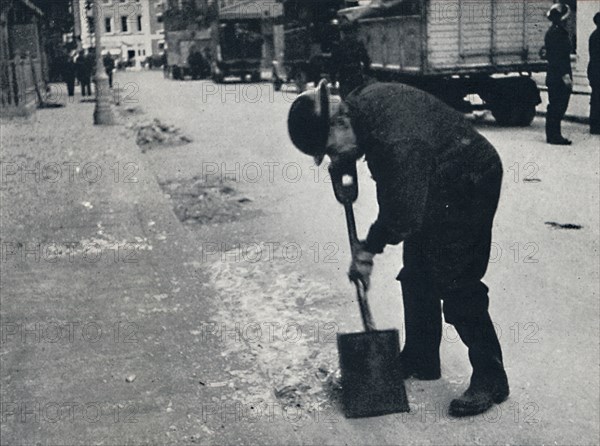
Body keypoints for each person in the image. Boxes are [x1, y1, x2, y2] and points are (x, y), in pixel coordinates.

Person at [287, 80, 509, 417]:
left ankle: (492, 377)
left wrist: (367, 250)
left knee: (456, 278)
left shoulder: (397, 140)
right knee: (417, 271)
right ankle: (421, 358)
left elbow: (401, 213)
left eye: (331, 149)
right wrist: (345, 160)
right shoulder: (358, 107)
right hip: (433, 177)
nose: (334, 156)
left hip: (469, 181)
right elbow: (397, 188)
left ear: (340, 123)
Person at [544, 3, 573, 145]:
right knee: (558, 106)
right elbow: (559, 57)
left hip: (553, 75)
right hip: (559, 75)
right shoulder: (559, 33)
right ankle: (555, 136)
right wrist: (565, 75)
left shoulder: (552, 32)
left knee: (554, 105)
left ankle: (552, 134)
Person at [588, 13, 600, 135]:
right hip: (597, 71)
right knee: (597, 99)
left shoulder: (594, 35)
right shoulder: (597, 36)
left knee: (596, 98)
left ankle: (595, 125)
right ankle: (596, 126)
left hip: (594, 70)